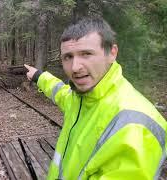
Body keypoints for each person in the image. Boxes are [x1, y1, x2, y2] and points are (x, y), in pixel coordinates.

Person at [24, 17, 167, 180]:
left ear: (112, 53)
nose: (75, 67)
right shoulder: (80, 98)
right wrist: (38, 76)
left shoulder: (134, 125)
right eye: (68, 57)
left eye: (86, 54)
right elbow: (60, 92)